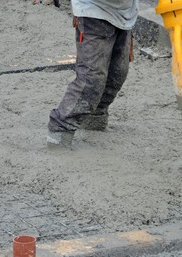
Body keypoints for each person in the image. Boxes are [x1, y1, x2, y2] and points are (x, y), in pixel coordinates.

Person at [47, 0, 138, 149]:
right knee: (91, 79)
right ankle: (59, 132)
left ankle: (94, 120)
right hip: (93, 11)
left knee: (117, 74)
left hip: (124, 14)